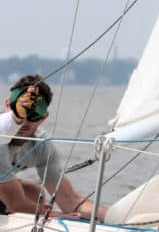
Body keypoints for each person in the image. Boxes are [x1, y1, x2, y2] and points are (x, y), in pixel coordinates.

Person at [0, 75, 106, 220]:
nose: (24, 121)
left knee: (34, 193)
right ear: (7, 105)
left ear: (44, 117)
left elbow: (69, 200)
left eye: (33, 116)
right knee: (17, 200)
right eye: (21, 112)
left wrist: (115, 217)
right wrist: (60, 215)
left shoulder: (42, 146)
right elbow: (15, 203)